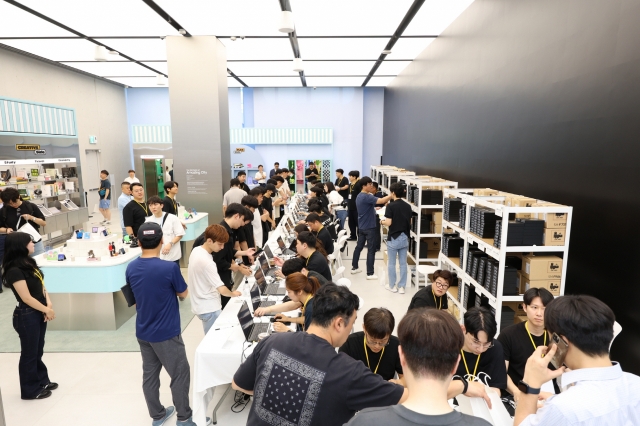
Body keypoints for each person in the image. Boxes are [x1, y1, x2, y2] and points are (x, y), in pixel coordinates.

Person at [232, 283, 407, 426]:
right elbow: (408, 397)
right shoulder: (348, 372)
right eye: (351, 323)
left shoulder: (272, 341)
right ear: (339, 323)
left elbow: (237, 384)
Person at [345, 308, 491, 426]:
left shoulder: (363, 421)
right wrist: (462, 385)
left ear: (401, 356)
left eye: (382, 342)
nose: (377, 346)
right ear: (456, 363)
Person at [514, 295, 640, 426]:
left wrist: (530, 383)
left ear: (562, 342)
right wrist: (554, 400)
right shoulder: (636, 384)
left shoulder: (562, 409)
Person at [125, 222, 197, 426]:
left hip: (143, 331)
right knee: (180, 373)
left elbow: (135, 299)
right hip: (166, 333)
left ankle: (157, 415)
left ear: (138, 242)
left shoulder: (131, 267)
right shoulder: (169, 268)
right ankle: (184, 418)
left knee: (149, 375)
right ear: (162, 241)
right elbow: (183, 294)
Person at [2, 232, 57, 400]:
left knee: (38, 349)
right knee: (29, 353)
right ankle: (30, 390)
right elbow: (26, 297)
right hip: (27, 315)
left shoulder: (29, 263)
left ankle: (41, 380)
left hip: (38, 310)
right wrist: (45, 310)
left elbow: (41, 284)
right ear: (20, 246)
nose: (33, 243)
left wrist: (48, 304)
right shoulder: (14, 271)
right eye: (30, 242)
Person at [498, 287, 557, 403]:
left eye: (544, 309)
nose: (539, 313)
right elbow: (501, 372)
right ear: (524, 307)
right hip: (517, 394)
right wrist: (516, 392)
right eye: (534, 308)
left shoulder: (556, 336)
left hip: (549, 397)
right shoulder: (508, 335)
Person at [193, 203, 255, 309]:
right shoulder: (222, 234)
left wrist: (244, 254)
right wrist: (236, 267)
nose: (243, 224)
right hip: (217, 281)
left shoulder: (226, 230)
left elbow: (228, 252)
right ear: (236, 216)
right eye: (242, 220)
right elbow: (218, 260)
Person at [188, 224, 243, 334]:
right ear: (209, 241)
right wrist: (234, 294)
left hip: (199, 304)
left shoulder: (196, 250)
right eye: (220, 244)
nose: (222, 247)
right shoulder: (208, 262)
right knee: (212, 341)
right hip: (209, 308)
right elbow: (222, 290)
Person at [448, 307, 507, 401]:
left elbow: (496, 388)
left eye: (486, 344)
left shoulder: (495, 348)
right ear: (463, 329)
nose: (480, 349)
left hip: (482, 406)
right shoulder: (446, 346)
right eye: (476, 342)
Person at [339, 308, 403, 382]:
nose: (377, 346)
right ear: (364, 328)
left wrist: (397, 382)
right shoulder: (349, 343)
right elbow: (341, 376)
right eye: (372, 341)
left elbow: (407, 379)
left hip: (384, 389)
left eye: (383, 341)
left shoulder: (397, 346)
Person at [351, 177, 392, 279]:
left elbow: (366, 207)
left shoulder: (359, 196)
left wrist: (373, 208)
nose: (371, 186)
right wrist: (392, 195)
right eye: (369, 184)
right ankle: (370, 273)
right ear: (364, 186)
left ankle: (354, 267)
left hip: (362, 226)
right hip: (370, 227)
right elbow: (382, 200)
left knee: (358, 247)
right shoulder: (367, 196)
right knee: (371, 250)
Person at [255, 272, 321, 332]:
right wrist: (288, 319)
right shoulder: (309, 296)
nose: (288, 295)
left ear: (299, 292)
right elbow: (305, 318)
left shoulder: (311, 309)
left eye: (289, 292)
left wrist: (287, 330)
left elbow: (309, 342)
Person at [381, 182, 412, 293]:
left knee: (392, 263)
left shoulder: (391, 206)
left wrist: (381, 221)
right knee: (403, 263)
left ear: (393, 193)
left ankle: (392, 286)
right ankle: (402, 286)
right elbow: (410, 221)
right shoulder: (408, 206)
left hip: (394, 237)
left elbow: (389, 222)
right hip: (404, 237)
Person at [0, 187, 47, 256]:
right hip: (16, 246)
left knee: (39, 263)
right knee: (20, 266)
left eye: (15, 202)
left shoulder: (31, 206)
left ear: (19, 196)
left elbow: (43, 223)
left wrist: (31, 218)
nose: (13, 205)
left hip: (34, 243)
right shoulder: (3, 211)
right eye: (10, 204)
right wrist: (6, 230)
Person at [145, 196, 185, 264]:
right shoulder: (148, 221)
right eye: (150, 205)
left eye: (155, 204)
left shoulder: (172, 218)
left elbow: (180, 234)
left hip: (172, 255)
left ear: (162, 205)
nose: (153, 207)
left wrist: (170, 244)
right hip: (157, 256)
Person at [346, 170, 363, 241]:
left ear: (355, 177)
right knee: (351, 222)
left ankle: (360, 237)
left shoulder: (358, 184)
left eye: (351, 176)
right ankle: (353, 235)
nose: (349, 177)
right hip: (350, 206)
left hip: (357, 207)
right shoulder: (350, 185)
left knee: (358, 223)